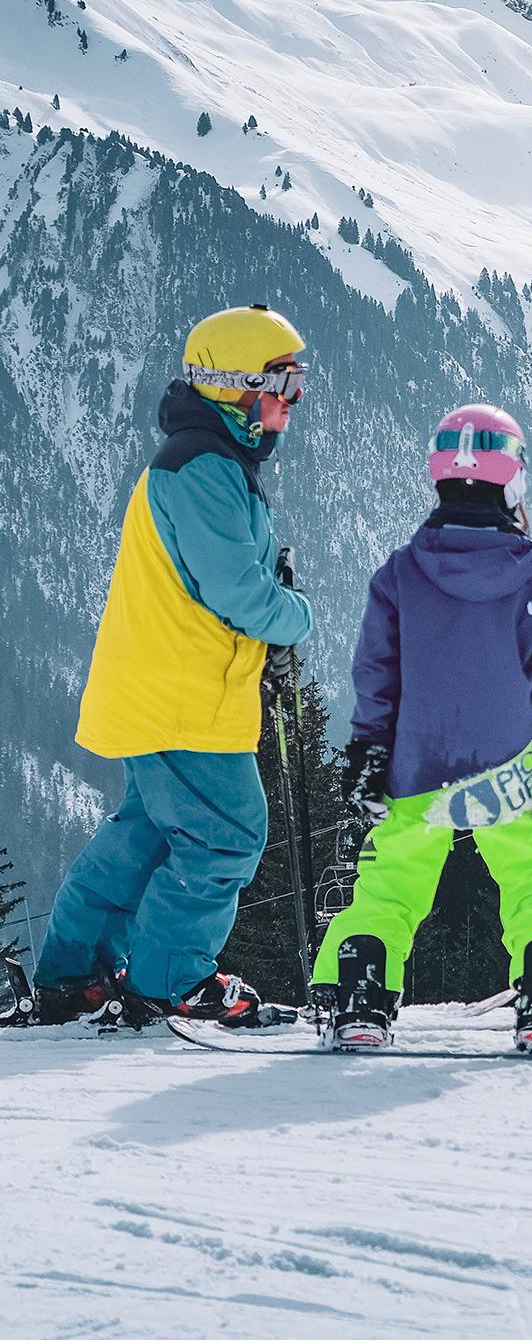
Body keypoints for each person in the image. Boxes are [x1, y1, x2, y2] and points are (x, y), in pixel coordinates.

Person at [37, 304, 313, 1028]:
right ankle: (169, 981)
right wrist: (295, 612)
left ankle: (74, 973)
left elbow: (219, 577)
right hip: (185, 698)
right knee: (228, 830)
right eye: (281, 387)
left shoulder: (206, 462)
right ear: (237, 388)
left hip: (162, 690)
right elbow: (238, 595)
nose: (291, 405)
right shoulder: (203, 471)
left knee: (148, 834)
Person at [311, 402, 532, 1053]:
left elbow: (376, 673)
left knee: (390, 880)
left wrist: (366, 750)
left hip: (418, 761)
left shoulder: (400, 575)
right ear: (514, 482)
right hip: (510, 763)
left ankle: (359, 996)